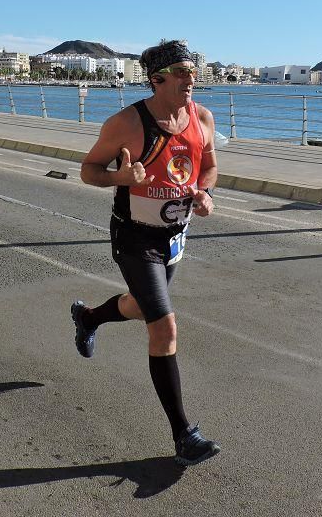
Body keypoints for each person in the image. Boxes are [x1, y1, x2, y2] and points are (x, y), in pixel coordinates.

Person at [71, 39, 220, 467]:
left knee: (140, 306)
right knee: (164, 327)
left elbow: (208, 166)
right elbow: (88, 170)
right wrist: (120, 176)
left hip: (174, 237)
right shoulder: (128, 124)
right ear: (156, 80)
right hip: (135, 238)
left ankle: (89, 317)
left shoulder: (202, 118)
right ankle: (184, 436)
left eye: (192, 71)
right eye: (181, 72)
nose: (191, 78)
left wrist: (206, 193)